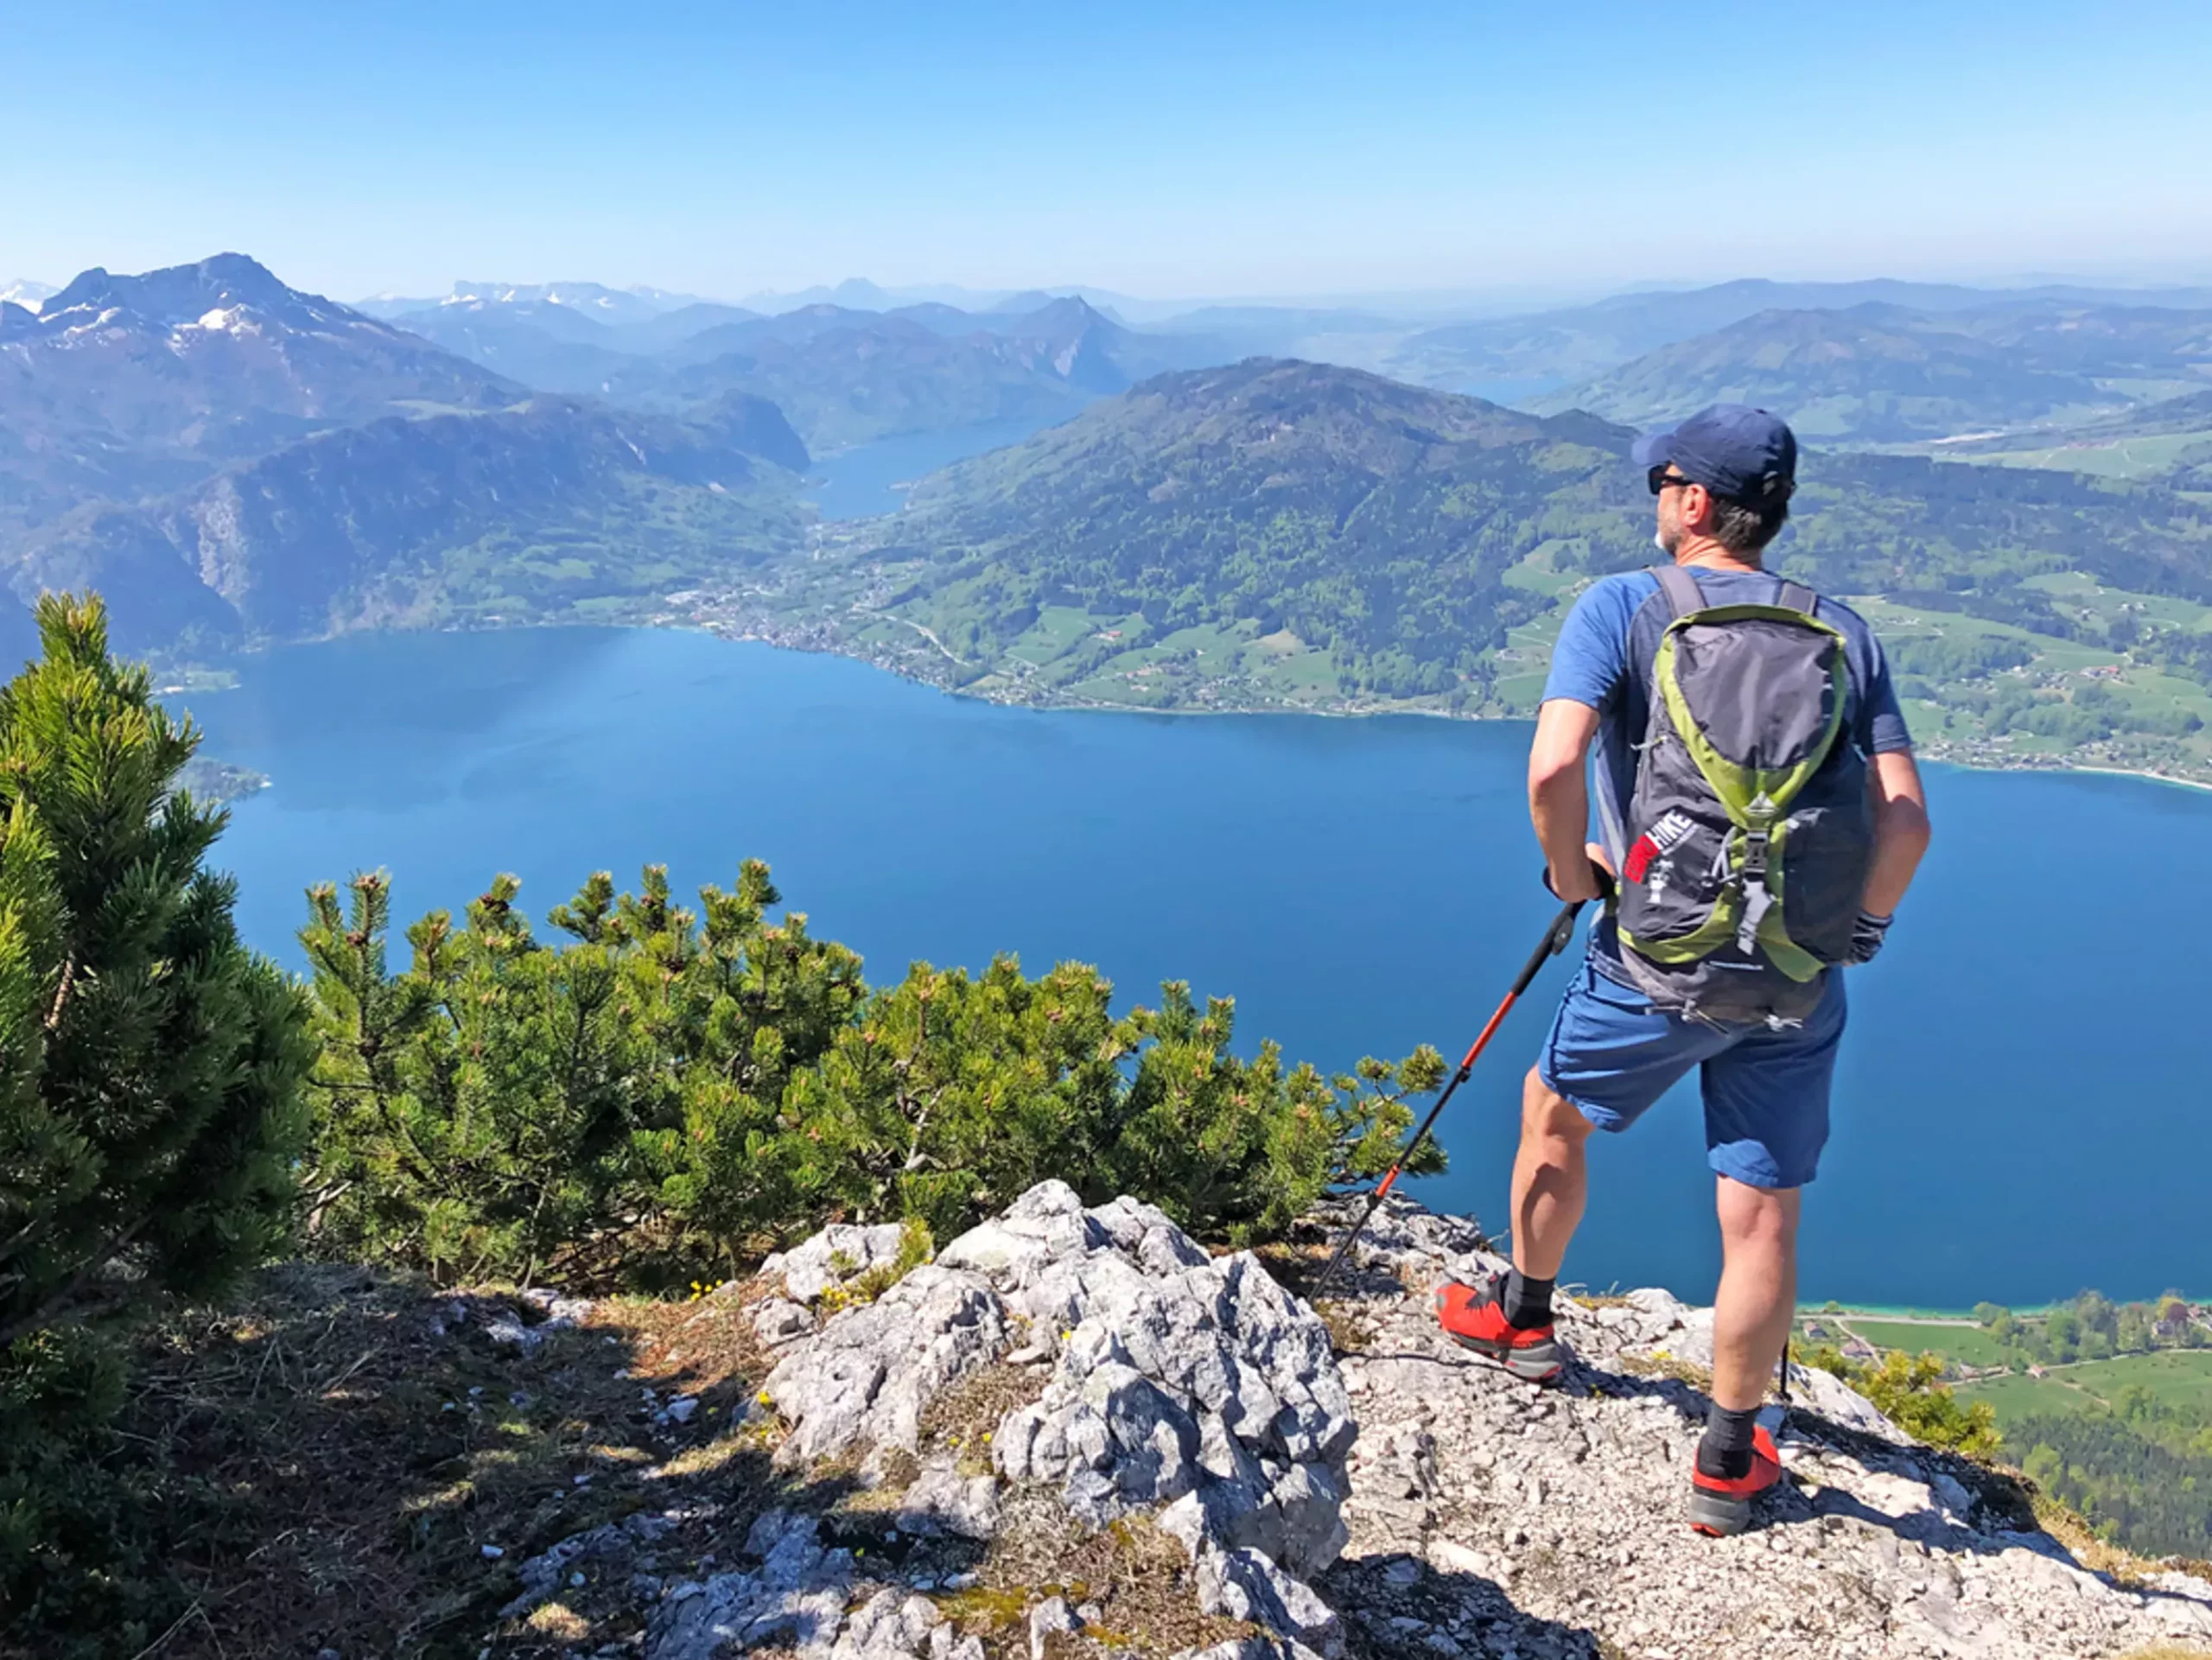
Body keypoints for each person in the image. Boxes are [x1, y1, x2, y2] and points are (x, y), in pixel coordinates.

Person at [1434, 404, 1932, 1536]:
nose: (1657, 499)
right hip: (1796, 977)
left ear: (1694, 501)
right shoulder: (1842, 633)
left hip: (1652, 960)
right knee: (1760, 1215)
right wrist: (1856, 935)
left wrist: (1570, 871)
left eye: (1662, 483)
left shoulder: (1623, 608)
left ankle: (1524, 1321)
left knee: (1552, 1115)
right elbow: (1905, 823)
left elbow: (1554, 765)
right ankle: (1728, 1458)